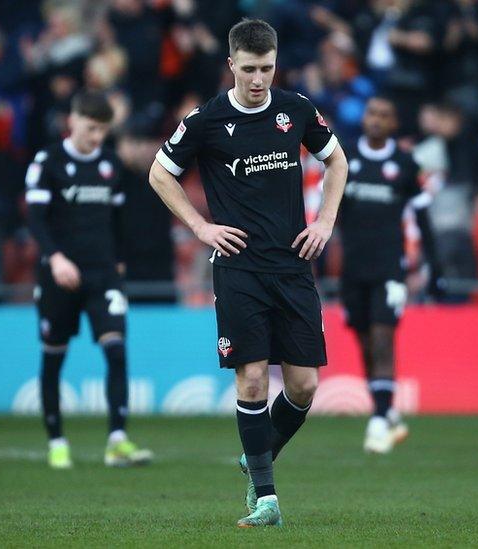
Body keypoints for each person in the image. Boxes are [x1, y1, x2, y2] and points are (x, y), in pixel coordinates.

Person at [148, 18, 348, 527]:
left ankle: (255, 455)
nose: (259, 80)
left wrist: (324, 220)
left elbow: (337, 161)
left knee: (303, 387)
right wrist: (200, 226)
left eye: (267, 68)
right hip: (239, 267)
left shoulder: (296, 110)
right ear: (231, 65)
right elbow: (159, 173)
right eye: (250, 69)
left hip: (292, 264)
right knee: (253, 377)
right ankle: (266, 497)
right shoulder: (205, 120)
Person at [25, 91, 153, 470]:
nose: (97, 137)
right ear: (73, 120)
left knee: (116, 349)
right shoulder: (47, 162)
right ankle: (57, 441)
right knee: (54, 357)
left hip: (102, 274)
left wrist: (120, 262)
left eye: (103, 130)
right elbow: (35, 219)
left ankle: (117, 440)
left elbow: (117, 222)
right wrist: (56, 258)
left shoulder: (111, 166)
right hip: (58, 275)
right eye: (91, 128)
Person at [338, 96, 442, 454]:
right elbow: (329, 214)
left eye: (384, 115)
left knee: (383, 338)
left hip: (389, 268)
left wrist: (435, 266)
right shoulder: (345, 157)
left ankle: (378, 423)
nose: (376, 120)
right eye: (371, 113)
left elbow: (423, 218)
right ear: (364, 118)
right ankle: (387, 410)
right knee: (365, 343)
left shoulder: (406, 164)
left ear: (394, 123)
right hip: (352, 269)